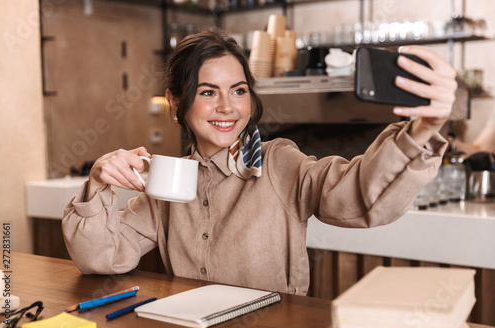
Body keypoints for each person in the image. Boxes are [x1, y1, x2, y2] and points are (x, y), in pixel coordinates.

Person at [62, 28, 457, 296]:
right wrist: (98, 184)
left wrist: (422, 129)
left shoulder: (278, 162)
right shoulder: (168, 181)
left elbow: (357, 197)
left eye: (238, 90)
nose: (227, 107)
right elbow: (102, 259)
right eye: (207, 92)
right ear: (176, 102)